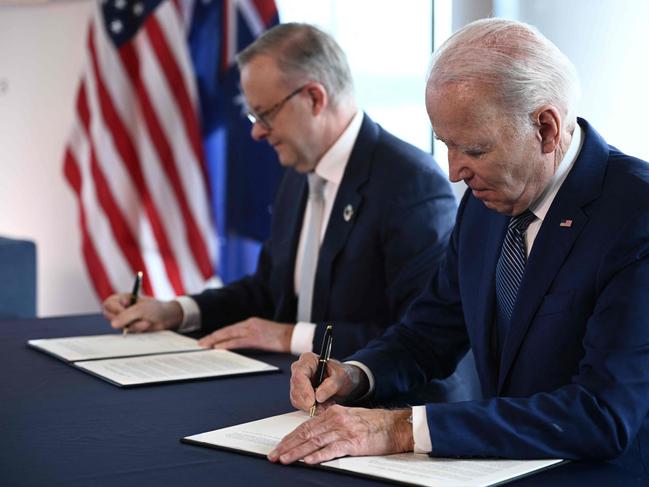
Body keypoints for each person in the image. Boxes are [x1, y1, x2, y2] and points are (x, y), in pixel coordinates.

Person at [273, 18, 649, 470]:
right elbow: (428, 334)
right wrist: (355, 375)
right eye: (446, 145)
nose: (455, 172)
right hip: (493, 468)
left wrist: (399, 428)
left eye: (473, 149)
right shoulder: (487, 201)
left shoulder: (635, 215)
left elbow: (602, 414)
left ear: (546, 129)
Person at [103, 23, 457, 360]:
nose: (257, 133)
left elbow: (420, 338)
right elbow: (267, 291)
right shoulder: (298, 171)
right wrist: (176, 311)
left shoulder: (411, 184)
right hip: (293, 386)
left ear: (314, 98)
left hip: (382, 407)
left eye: (264, 115)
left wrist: (289, 336)